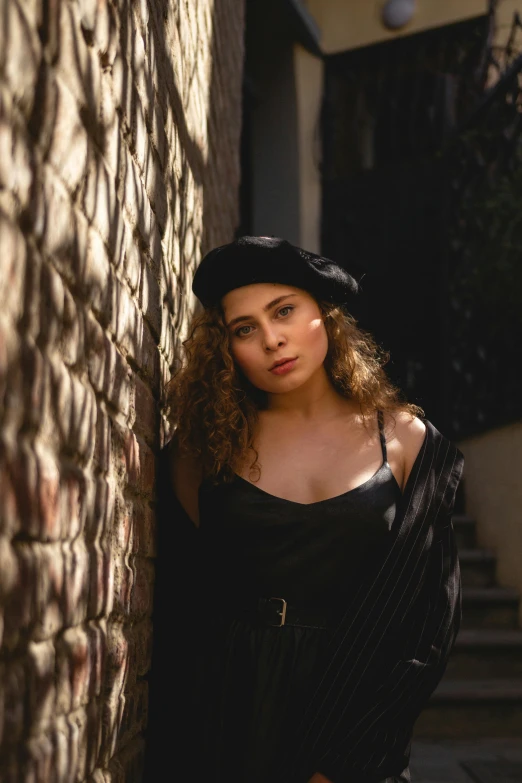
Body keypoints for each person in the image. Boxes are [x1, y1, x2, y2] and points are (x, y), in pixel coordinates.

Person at [143, 236, 464, 783]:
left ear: (326, 316)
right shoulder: (203, 451)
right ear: (226, 349)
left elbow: (430, 624)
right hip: (226, 713)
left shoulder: (408, 442)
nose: (272, 340)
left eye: (284, 311)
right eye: (244, 329)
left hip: (358, 712)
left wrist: (344, 762)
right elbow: (183, 604)